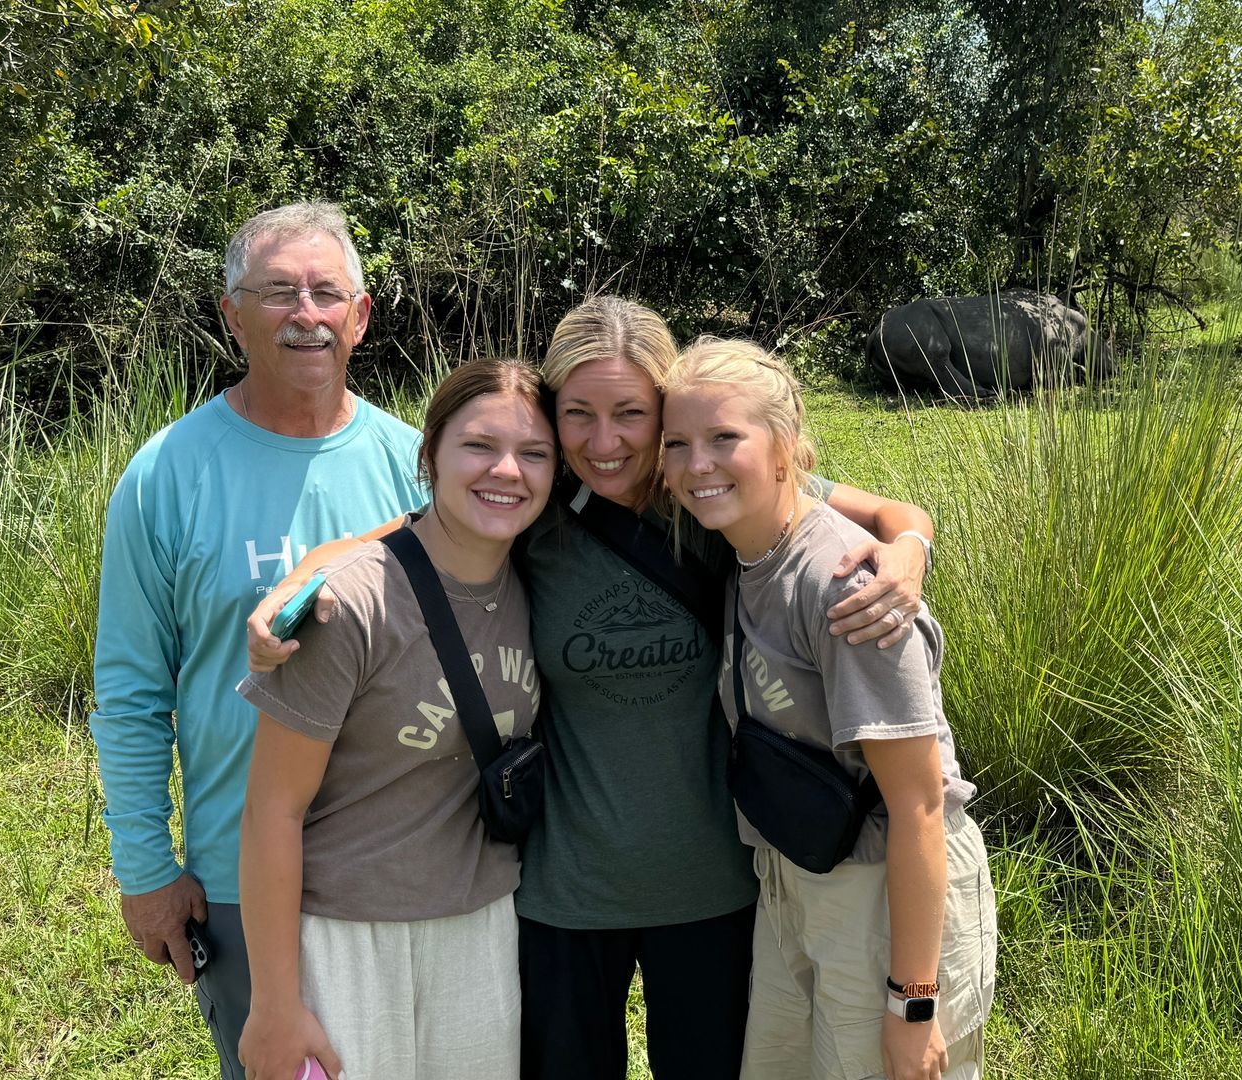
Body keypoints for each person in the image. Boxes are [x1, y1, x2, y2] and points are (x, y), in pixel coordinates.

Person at [248, 295, 937, 1080]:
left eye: (632, 415)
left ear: (664, 412)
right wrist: (307, 571)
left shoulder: (707, 498)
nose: (604, 443)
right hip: (563, 891)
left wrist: (911, 543)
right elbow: (405, 536)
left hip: (714, 883)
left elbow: (879, 512)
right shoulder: (534, 510)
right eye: (578, 415)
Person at [89, 201, 425, 1079]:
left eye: (325, 292)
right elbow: (130, 691)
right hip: (240, 879)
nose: (304, 314)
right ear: (232, 313)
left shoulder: (419, 464)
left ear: (361, 314)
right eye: (277, 292)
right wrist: (145, 869)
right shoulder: (165, 475)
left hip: (407, 868)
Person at [660, 338, 996, 1080]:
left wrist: (912, 1002)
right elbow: (895, 510)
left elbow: (918, 807)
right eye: (676, 442)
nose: (696, 464)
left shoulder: (847, 589)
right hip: (797, 876)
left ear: (785, 451)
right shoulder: (748, 549)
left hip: (882, 897)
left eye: (724, 438)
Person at [235, 359, 553, 1079]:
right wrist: (275, 1006)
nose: (506, 470)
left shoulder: (543, 579)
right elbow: (271, 812)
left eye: (534, 453)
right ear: (429, 452)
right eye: (478, 445)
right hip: (343, 936)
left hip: (479, 926)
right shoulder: (347, 606)